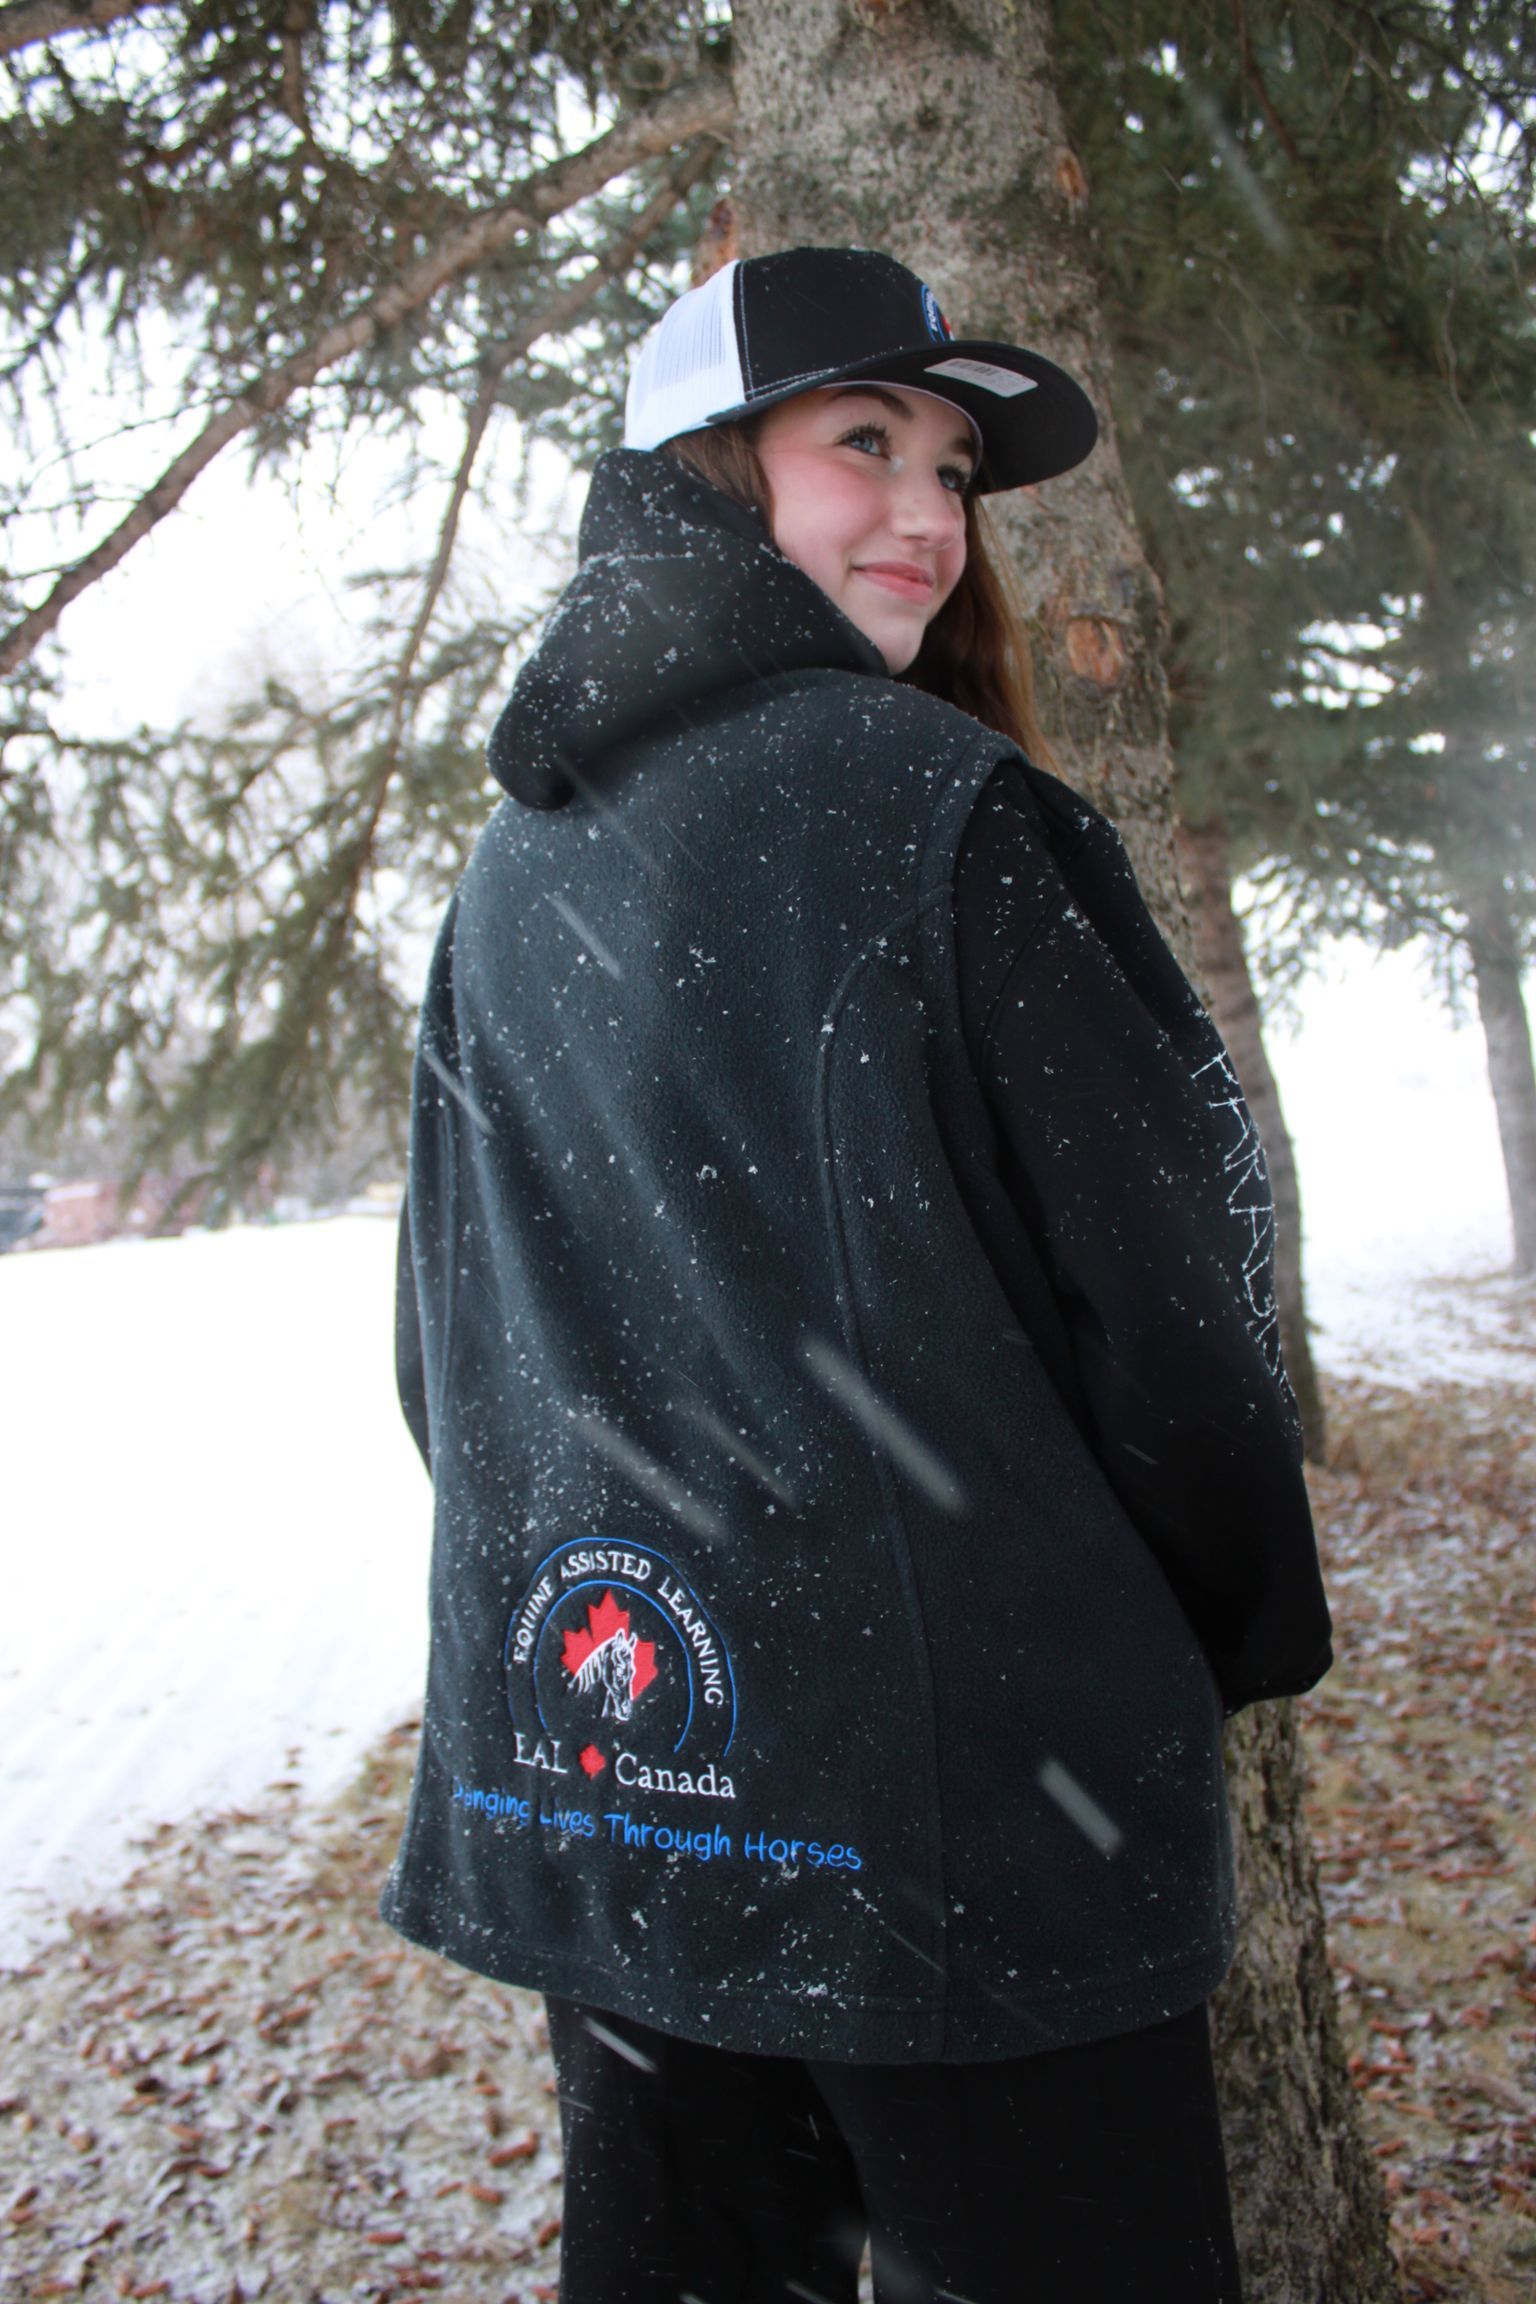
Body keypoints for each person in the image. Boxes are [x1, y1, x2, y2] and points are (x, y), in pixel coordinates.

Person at [385, 246, 1333, 2304]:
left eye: (957, 467)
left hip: (630, 1788)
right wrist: (1228, 1627)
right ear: (703, 476)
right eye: (863, 444)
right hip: (974, 1827)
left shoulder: (507, 868)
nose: (929, 511)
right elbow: (1176, 1323)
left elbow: (437, 1360)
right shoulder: (953, 816)